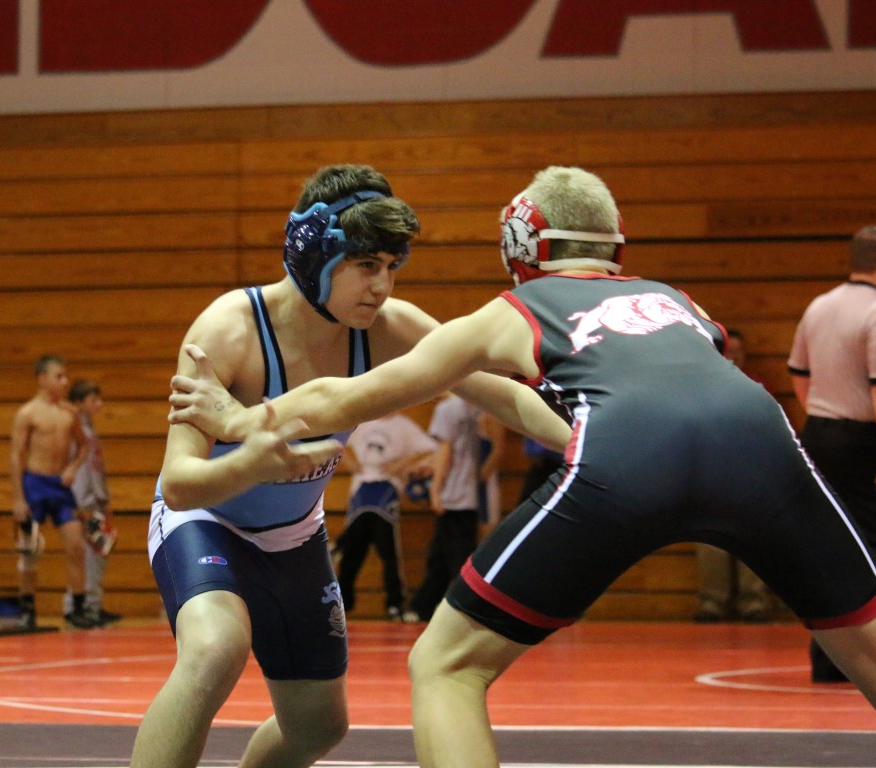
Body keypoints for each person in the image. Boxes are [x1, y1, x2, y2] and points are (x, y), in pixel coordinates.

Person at [170, 166, 876, 765]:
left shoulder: (517, 309)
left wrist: (236, 421)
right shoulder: (675, 300)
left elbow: (349, 396)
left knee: (447, 666)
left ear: (521, 248)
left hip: (628, 456)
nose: (384, 283)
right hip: (762, 440)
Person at [130, 164, 569, 768]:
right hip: (207, 522)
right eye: (366, 265)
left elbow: (503, 395)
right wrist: (250, 465)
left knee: (317, 727)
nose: (382, 286)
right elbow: (180, 487)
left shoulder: (389, 329)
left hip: (295, 535)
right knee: (214, 649)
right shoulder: (230, 329)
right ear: (315, 255)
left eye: (392, 266)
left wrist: (585, 441)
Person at [789, 225, 876, 682]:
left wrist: (826, 420)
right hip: (863, 439)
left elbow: (800, 376)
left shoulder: (819, 305)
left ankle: (830, 659)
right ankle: (871, 657)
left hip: (819, 434)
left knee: (834, 545)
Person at [10, 355, 97, 629]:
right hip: (34, 484)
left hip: (59, 486)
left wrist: (73, 467)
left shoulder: (69, 413)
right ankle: (27, 609)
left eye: (65, 376)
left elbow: (83, 446)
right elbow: (16, 456)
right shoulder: (27, 414)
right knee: (29, 549)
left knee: (76, 545)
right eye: (59, 376)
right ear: (42, 378)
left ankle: (77, 608)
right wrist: (18, 498)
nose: (65, 381)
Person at [693, 329, 771, 623]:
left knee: (754, 540)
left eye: (738, 353)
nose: (733, 358)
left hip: (750, 473)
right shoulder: (700, 387)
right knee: (710, 542)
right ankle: (712, 603)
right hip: (711, 473)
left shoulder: (758, 387)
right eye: (728, 353)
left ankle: (754, 603)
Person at [335, 411, 437, 619]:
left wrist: (402, 465)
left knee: (388, 550)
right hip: (361, 488)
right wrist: (350, 462)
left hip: (387, 488)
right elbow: (335, 439)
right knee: (353, 551)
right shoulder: (362, 420)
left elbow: (432, 449)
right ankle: (343, 601)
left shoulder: (404, 426)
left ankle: (394, 602)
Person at [403, 394, 487, 623]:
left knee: (458, 558)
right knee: (440, 557)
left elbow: (446, 452)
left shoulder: (447, 408)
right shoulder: (471, 406)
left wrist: (435, 489)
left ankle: (470, 609)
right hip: (466, 492)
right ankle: (421, 607)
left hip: (454, 494)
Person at [60, 379, 122, 627]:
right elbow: (77, 470)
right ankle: (75, 606)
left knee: (97, 554)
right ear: (78, 403)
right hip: (82, 501)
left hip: (94, 500)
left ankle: (94, 605)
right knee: (84, 556)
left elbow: (96, 470)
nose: (99, 404)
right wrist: (81, 501)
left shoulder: (89, 430)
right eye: (93, 400)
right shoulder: (74, 430)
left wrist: (103, 499)